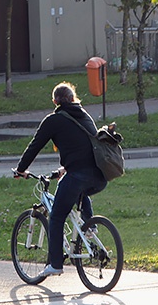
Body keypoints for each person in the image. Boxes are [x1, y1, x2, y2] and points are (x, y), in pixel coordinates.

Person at [14, 81, 107, 277]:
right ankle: (90, 227)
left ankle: (55, 264)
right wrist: (65, 168)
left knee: (56, 216)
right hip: (99, 175)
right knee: (78, 190)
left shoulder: (53, 120)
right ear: (73, 99)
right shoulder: (84, 115)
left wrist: (21, 169)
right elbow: (84, 147)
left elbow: (35, 145)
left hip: (78, 174)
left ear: (55, 101)